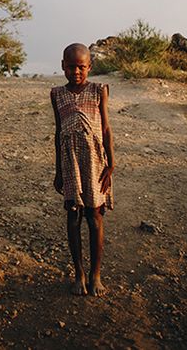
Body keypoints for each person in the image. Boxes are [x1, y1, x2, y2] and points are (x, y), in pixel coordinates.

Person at [51, 42, 114, 296]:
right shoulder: (57, 94)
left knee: (94, 216)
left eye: (81, 67)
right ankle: (79, 273)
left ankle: (95, 274)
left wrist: (111, 164)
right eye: (71, 67)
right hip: (70, 163)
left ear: (89, 66)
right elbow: (58, 132)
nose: (76, 72)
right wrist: (58, 170)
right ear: (62, 66)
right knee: (73, 216)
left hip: (95, 162)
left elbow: (106, 129)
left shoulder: (99, 90)